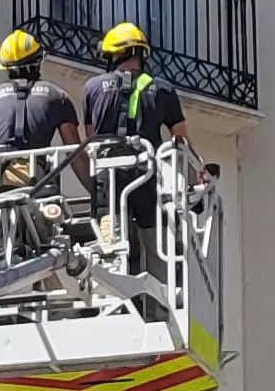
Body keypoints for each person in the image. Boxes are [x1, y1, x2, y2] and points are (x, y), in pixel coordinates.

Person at [78, 23, 194, 282]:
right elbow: (180, 139)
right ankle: (159, 300)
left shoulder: (92, 88)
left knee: (109, 244)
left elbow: (90, 136)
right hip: (146, 175)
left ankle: (114, 295)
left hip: (107, 179)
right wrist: (195, 178)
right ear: (140, 54)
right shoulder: (163, 89)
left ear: (116, 55)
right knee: (154, 246)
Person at [0, 29, 81, 262]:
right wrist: (96, 192)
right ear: (38, 62)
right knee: (40, 241)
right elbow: (75, 151)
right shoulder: (57, 96)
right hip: (34, 179)